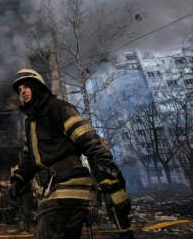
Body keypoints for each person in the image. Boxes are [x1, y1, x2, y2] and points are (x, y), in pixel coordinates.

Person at [8, 68, 134, 239]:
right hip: (52, 190)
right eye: (19, 90)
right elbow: (29, 158)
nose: (22, 91)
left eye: (26, 86)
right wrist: (18, 179)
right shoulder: (31, 123)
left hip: (69, 187)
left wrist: (107, 178)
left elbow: (90, 142)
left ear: (37, 86)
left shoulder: (58, 108)